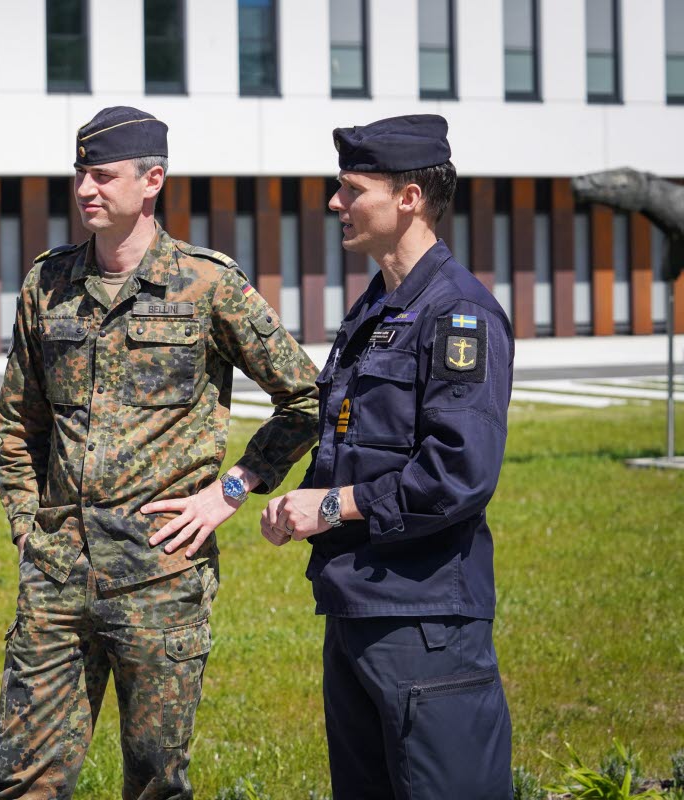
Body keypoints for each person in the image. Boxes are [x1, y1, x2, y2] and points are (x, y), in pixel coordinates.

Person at [0, 106, 320, 799]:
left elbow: (305, 398)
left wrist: (231, 491)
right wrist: (27, 527)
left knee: (155, 786)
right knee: (22, 782)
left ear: (152, 180)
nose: (86, 189)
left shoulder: (206, 284)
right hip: (56, 577)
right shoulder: (46, 285)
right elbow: (21, 426)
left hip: (161, 579)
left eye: (103, 175)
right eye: (80, 173)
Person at [261, 114, 513, 800]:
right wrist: (302, 499)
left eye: (351, 188)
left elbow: (459, 474)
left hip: (423, 621)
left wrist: (334, 506)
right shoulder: (379, 308)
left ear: (408, 198)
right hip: (358, 609)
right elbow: (352, 436)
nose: (335, 203)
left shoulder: (457, 314)